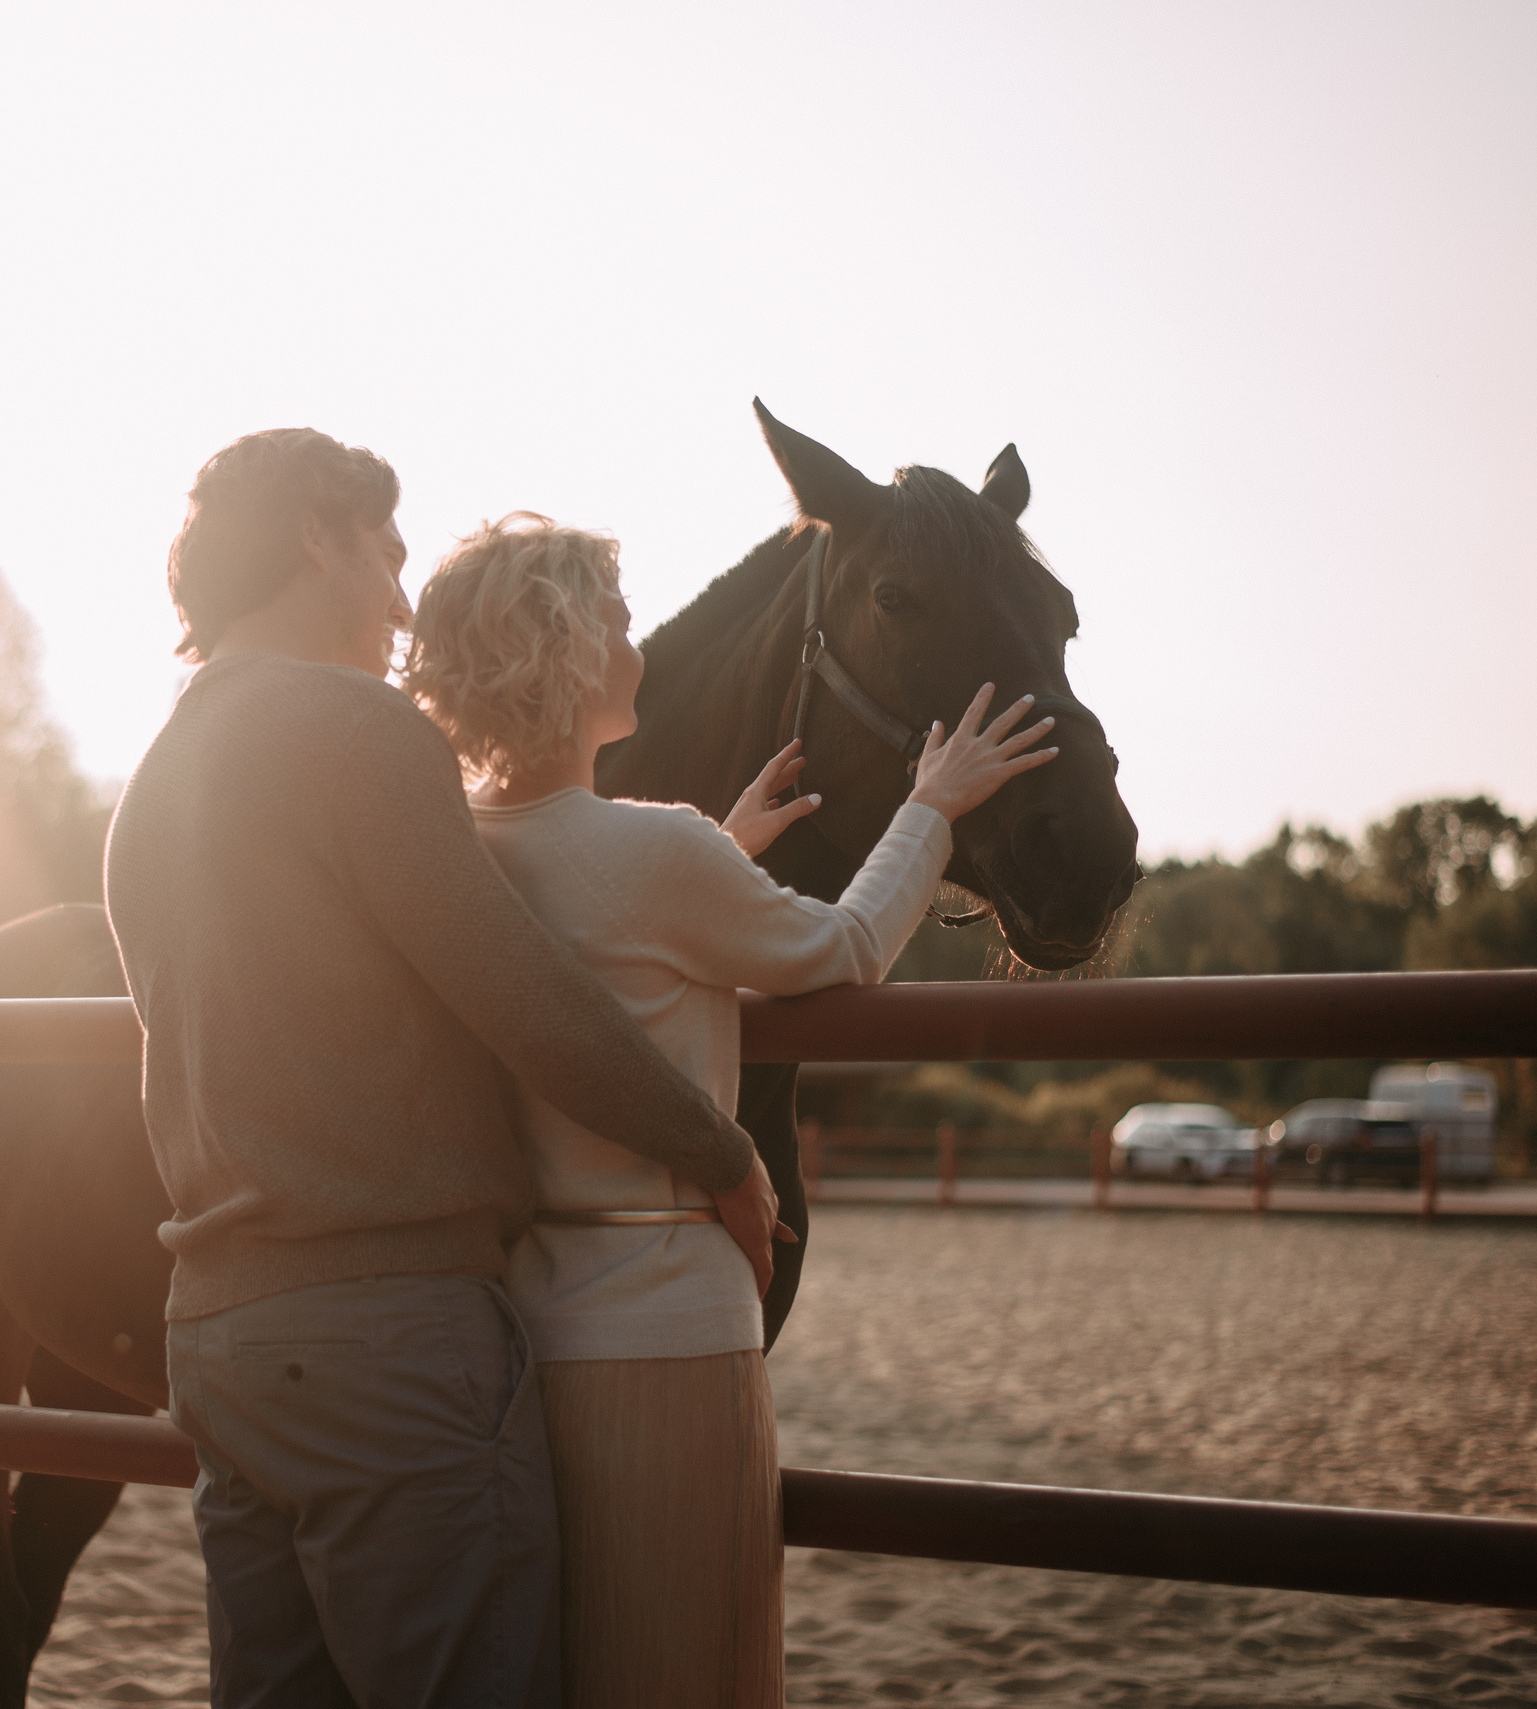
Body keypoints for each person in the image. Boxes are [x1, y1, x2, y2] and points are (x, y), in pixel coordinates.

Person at [103, 433, 788, 1709]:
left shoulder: (159, 772)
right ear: (317, 535)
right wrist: (720, 1148)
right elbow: (521, 991)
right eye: (388, 554)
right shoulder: (355, 727)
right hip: (388, 1342)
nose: (405, 604)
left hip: (221, 1333)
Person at [402, 512, 1057, 1709]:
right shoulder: (654, 852)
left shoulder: (458, 851)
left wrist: (721, 851)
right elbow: (844, 944)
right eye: (611, 617)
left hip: (513, 1331)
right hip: (664, 1331)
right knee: (687, 1661)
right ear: (568, 655)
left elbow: (602, 942)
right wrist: (933, 806)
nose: (634, 639)